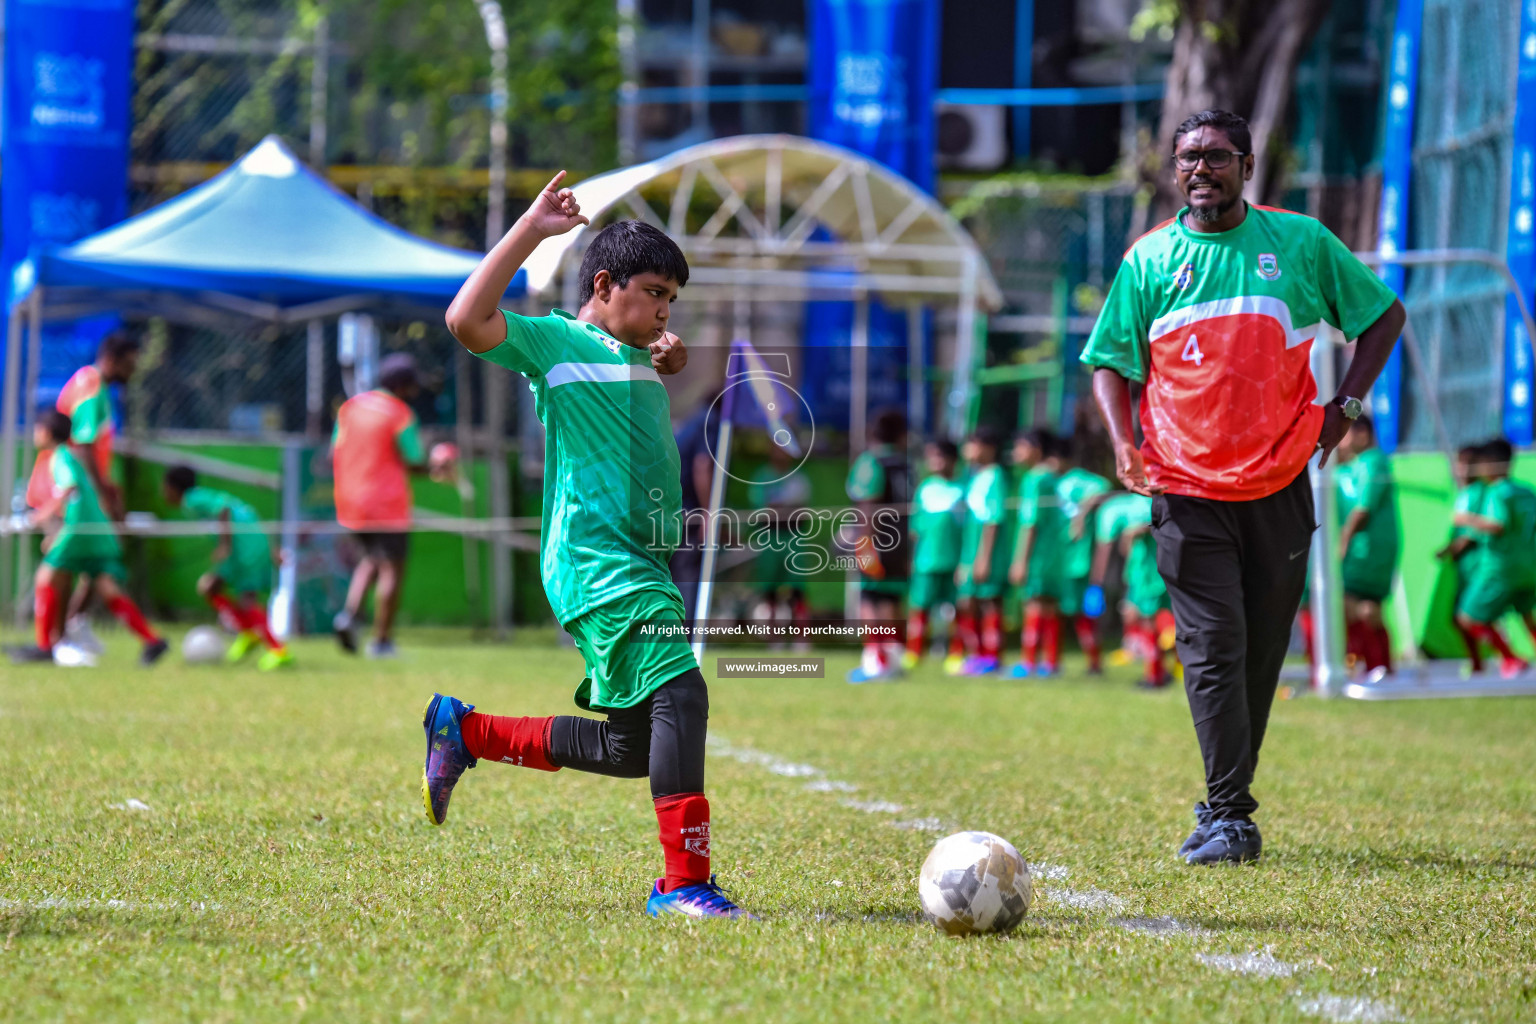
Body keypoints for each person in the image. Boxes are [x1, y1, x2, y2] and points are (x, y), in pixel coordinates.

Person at [1082, 109, 1406, 865]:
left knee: (1261, 654)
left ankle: (1221, 803)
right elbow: (1109, 360)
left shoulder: (1298, 243)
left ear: (1247, 166)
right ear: (1174, 170)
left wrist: (1345, 408)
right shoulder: (1150, 260)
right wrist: (1124, 441)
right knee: (1214, 645)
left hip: (1280, 482)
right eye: (1188, 157)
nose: (1201, 169)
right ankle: (1231, 816)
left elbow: (1384, 316)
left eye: (1218, 157)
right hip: (1185, 487)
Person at [431, 174, 752, 919]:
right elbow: (465, 319)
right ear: (604, 285)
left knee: (633, 748)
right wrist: (533, 231)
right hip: (596, 566)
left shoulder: (637, 351)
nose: (666, 309)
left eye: (674, 296)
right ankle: (684, 886)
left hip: (643, 567)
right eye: (653, 291)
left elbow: (646, 368)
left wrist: (664, 358)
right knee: (683, 691)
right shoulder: (559, 343)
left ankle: (465, 730)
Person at [7, 411, 167, 666]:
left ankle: (45, 646)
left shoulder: (60, 457)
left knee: (45, 578)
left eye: (38, 429)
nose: (35, 434)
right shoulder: (71, 456)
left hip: (79, 532)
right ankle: (152, 640)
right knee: (107, 587)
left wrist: (37, 518)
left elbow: (69, 489)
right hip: (98, 532)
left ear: (47, 432)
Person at [24, 331, 143, 654]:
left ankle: (64, 634)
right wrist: (102, 493)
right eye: (130, 364)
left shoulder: (91, 384)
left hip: (69, 490)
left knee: (80, 564)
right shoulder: (92, 387)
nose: (133, 371)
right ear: (113, 360)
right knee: (62, 567)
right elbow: (86, 445)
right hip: (67, 491)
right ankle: (58, 640)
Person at [330, 353, 429, 658]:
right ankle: (382, 640)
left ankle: (348, 616)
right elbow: (413, 460)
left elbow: (335, 449)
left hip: (350, 502)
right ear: (401, 385)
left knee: (370, 560)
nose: (414, 391)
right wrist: (434, 466)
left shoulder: (351, 407)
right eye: (412, 385)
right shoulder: (399, 413)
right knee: (391, 569)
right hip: (386, 504)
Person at [162, 465, 292, 671]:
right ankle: (249, 633)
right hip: (248, 542)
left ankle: (278, 650)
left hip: (242, 547)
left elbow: (224, 509)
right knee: (215, 589)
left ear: (173, 488)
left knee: (235, 595)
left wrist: (225, 545)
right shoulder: (197, 499)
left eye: (165, 487)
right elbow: (244, 514)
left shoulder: (192, 499)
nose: (164, 492)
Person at [1448, 439, 1533, 677]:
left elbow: (1497, 525)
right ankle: (1482, 663)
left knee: (1467, 618)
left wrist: (1465, 519)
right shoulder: (1526, 491)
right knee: (1527, 617)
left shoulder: (1496, 492)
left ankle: (1511, 658)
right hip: (1528, 566)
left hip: (1500, 568)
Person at [845, 408, 912, 684]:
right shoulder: (907, 465)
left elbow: (867, 505)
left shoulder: (871, 462)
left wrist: (863, 543)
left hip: (877, 541)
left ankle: (876, 660)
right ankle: (894, 658)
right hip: (902, 540)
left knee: (871, 599)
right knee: (893, 599)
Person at [1333, 416, 1400, 675]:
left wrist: (1344, 540)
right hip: (1360, 549)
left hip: (1368, 550)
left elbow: (1364, 509)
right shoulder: (1350, 467)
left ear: (1362, 433)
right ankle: (1376, 665)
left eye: (1344, 433)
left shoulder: (1374, 461)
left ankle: (1376, 665)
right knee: (1363, 609)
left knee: (1356, 604)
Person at [1091, 491, 1177, 688]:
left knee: (1150, 621)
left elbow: (1164, 523)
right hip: (1140, 573)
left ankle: (1155, 676)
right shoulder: (1130, 504)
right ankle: (1159, 671)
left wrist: (1140, 529)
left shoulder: (1158, 500)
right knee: (1140, 617)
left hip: (1152, 575)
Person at [952, 426, 1011, 675]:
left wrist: (984, 558)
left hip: (989, 552)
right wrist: (965, 560)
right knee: (968, 601)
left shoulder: (996, 476)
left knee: (990, 601)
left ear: (989, 448)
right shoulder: (973, 477)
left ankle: (992, 657)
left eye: (973, 444)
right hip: (970, 550)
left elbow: (993, 520)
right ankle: (976, 654)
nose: (967, 451)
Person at [1008, 429, 1066, 677]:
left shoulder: (1034, 479)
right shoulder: (1052, 478)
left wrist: (1020, 561)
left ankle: (1029, 662)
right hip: (1054, 553)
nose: (1015, 453)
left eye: (1020, 447)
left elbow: (1030, 522)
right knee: (1049, 605)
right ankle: (1051, 662)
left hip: (1038, 554)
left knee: (1034, 603)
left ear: (1036, 449)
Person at [1054, 436, 1112, 674]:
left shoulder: (1078, 479)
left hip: (1079, 559)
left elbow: (1105, 490)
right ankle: (1050, 662)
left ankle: (1094, 662)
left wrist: (1081, 515)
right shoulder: (1049, 482)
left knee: (1084, 612)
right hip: (1057, 558)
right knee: (1058, 610)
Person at [903, 438, 964, 667]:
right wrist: (912, 558)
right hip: (926, 561)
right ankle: (914, 652)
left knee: (956, 610)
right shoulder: (925, 489)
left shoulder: (962, 489)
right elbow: (916, 530)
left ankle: (956, 653)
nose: (936, 462)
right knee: (920, 606)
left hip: (954, 560)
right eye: (932, 457)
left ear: (953, 460)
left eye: (941, 456)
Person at [746, 442, 812, 645]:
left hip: (793, 538)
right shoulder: (761, 477)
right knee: (769, 590)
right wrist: (781, 509)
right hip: (769, 539)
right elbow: (762, 510)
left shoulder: (799, 478)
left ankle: (802, 637)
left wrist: (781, 509)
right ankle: (774, 637)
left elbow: (801, 511)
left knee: (797, 590)